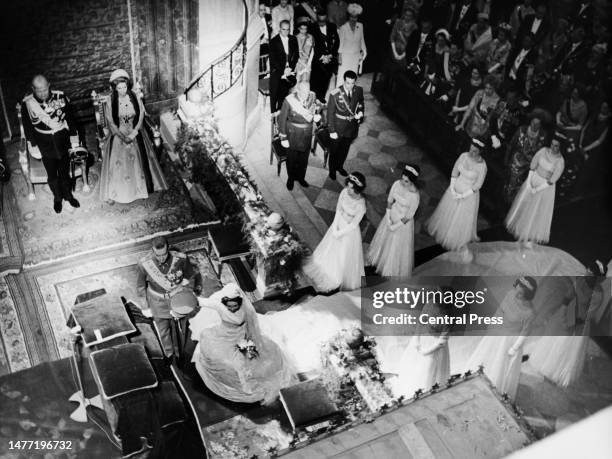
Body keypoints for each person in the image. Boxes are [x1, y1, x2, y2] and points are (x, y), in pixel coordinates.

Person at [189, 283, 295, 405]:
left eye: (235, 305)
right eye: (230, 304)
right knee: (239, 362)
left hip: (241, 337)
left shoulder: (239, 309)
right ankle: (246, 384)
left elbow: (246, 322)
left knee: (253, 359)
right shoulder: (223, 307)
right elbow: (203, 302)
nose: (233, 307)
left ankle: (254, 380)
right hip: (225, 337)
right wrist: (192, 299)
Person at [530, 261, 608, 388]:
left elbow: (589, 314)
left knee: (564, 346)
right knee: (555, 339)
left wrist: (572, 323)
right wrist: (563, 310)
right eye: (587, 270)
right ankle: (545, 365)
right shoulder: (581, 281)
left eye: (589, 272)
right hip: (567, 312)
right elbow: (569, 295)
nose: (586, 273)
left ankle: (555, 373)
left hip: (580, 323)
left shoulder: (598, 294)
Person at [99, 69, 168, 204]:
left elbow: (141, 115)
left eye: (124, 87)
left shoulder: (135, 97)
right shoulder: (110, 101)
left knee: (140, 160)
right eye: (119, 88)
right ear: (114, 88)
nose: (122, 90)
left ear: (127, 85)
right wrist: (121, 136)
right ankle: (117, 192)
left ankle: (141, 189)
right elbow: (111, 122)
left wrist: (133, 133)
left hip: (135, 133)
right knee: (118, 163)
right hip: (118, 134)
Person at [467, 277, 537, 401]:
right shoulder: (510, 294)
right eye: (517, 290)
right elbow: (500, 310)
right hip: (497, 332)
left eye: (520, 293)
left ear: (528, 295)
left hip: (510, 342)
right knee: (486, 358)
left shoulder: (529, 312)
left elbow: (525, 333)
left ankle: (492, 391)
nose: (517, 294)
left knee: (499, 367)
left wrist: (514, 348)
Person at [21, 74, 81, 214]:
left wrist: (74, 139)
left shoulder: (60, 97)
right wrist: (33, 145)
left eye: (44, 89)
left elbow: (71, 120)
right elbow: (28, 126)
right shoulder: (28, 104)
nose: (42, 93)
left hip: (62, 141)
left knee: (65, 172)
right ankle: (57, 198)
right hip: (45, 145)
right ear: (33, 89)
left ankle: (68, 195)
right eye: (38, 90)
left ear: (49, 85)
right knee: (52, 175)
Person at [136, 236, 202, 358]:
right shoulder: (144, 264)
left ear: (168, 248)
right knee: (163, 330)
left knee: (182, 326)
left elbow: (189, 275)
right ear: (152, 251)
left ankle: (181, 352)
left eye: (164, 254)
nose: (161, 258)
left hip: (177, 298)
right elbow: (140, 287)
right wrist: (145, 306)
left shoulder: (180, 258)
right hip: (157, 301)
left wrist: (186, 289)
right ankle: (169, 354)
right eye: (157, 255)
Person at [303, 172, 367, 292]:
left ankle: (336, 276)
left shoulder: (361, 205)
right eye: (347, 186)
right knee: (329, 249)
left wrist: (340, 233)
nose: (348, 190)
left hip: (348, 232)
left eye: (351, 188)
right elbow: (338, 209)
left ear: (358, 189)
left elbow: (354, 225)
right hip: (338, 224)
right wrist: (335, 226)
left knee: (342, 255)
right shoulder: (344, 192)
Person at [426, 137, 487, 260]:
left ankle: (455, 239)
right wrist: (453, 188)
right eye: (471, 149)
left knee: (460, 219)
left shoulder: (482, 166)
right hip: (456, 187)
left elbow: (478, 185)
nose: (471, 153)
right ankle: (444, 231)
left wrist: (463, 195)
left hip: (468, 194)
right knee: (448, 212)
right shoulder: (463, 156)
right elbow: (454, 171)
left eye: (475, 151)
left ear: (480, 152)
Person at [505, 132, 566, 246]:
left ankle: (529, 235)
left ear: (560, 147)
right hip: (534, 179)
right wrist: (529, 183)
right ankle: (519, 228)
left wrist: (537, 190)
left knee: (536, 210)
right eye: (552, 144)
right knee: (525, 204)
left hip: (544, 187)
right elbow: (533, 165)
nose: (553, 147)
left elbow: (552, 180)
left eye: (556, 146)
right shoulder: (543, 151)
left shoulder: (560, 161)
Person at [392, 293, 451, 398]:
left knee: (428, 368)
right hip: (424, 337)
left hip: (435, 346)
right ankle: (411, 386)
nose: (435, 300)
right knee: (413, 362)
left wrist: (426, 351)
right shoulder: (430, 304)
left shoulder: (448, 315)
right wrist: (416, 338)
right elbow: (421, 321)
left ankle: (425, 391)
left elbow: (442, 341)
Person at [368, 164, 420, 277]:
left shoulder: (415, 196)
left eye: (406, 181)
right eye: (402, 178)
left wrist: (395, 226)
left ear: (412, 181)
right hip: (392, 214)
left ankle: (390, 268)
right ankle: (379, 258)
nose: (402, 182)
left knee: (395, 246)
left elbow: (409, 216)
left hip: (402, 223)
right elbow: (390, 201)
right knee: (384, 239)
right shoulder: (397, 184)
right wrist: (388, 217)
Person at [278, 81, 322, 190]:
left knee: (303, 159)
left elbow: (316, 108)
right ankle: (291, 178)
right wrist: (283, 137)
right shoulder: (289, 100)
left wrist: (317, 117)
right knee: (291, 159)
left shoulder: (312, 96)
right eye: (303, 91)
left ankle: (301, 178)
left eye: (308, 91)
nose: (306, 94)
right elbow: (281, 120)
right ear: (298, 90)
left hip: (307, 134)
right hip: (293, 134)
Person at [504, 109, 549, 204]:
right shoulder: (522, 130)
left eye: (537, 124)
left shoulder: (543, 136)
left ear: (540, 125)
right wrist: (506, 160)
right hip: (516, 163)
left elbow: (541, 154)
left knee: (524, 189)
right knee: (510, 186)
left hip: (530, 168)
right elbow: (511, 145)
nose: (534, 126)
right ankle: (506, 204)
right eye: (533, 123)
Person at [326, 70, 364, 180]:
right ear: (344, 81)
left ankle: (339, 166)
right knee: (334, 151)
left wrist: (360, 113)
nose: (350, 86)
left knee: (344, 149)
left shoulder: (359, 90)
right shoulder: (335, 94)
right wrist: (332, 131)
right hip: (337, 128)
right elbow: (330, 114)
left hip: (350, 127)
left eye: (352, 83)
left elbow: (360, 103)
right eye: (348, 83)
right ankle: (332, 170)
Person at [456, 74, 500, 139]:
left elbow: (493, 122)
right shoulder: (479, 93)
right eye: (486, 87)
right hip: (470, 127)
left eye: (490, 89)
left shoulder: (498, 101)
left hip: (482, 134)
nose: (487, 91)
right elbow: (470, 108)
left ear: (495, 88)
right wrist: (462, 124)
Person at [309, 10, 340, 103]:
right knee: (315, 79)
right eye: (320, 21)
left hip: (330, 58)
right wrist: (322, 57)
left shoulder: (332, 26)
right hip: (318, 58)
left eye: (323, 21)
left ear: (326, 18)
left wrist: (330, 55)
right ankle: (313, 99)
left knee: (326, 79)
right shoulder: (312, 27)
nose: (321, 23)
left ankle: (321, 97)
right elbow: (311, 44)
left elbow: (337, 42)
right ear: (317, 19)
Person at [269, 19, 299, 113]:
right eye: (283, 29)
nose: (286, 32)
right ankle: (273, 112)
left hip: (289, 69)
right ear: (279, 29)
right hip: (277, 69)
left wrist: (291, 68)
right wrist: (283, 70)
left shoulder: (293, 39)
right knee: (274, 91)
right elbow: (273, 60)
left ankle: (281, 110)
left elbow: (296, 55)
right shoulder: (274, 41)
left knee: (285, 90)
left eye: (287, 29)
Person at [337, 3, 367, 83]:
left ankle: (350, 92)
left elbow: (362, 39)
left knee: (352, 76)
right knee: (342, 75)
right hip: (345, 56)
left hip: (355, 56)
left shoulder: (360, 26)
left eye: (355, 17)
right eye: (352, 17)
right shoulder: (343, 28)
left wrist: (364, 51)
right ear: (349, 17)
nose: (353, 19)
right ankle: (340, 92)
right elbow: (340, 43)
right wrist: (339, 57)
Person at [295, 17, 315, 83]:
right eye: (302, 29)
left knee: (306, 81)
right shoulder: (295, 38)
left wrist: (309, 63)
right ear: (298, 28)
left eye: (305, 29)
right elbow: (295, 54)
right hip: (299, 63)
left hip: (308, 62)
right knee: (298, 81)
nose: (304, 31)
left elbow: (312, 50)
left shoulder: (310, 37)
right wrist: (304, 65)